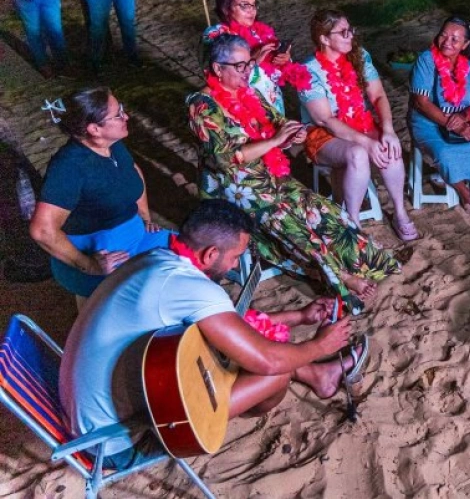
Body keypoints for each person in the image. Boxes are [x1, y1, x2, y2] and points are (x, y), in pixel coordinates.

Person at [59, 199, 366, 470]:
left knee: (227, 347)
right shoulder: (192, 287)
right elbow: (268, 361)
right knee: (276, 373)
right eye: (235, 257)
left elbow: (227, 330)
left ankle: (318, 375)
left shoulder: (155, 259)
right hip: (115, 443)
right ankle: (317, 373)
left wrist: (299, 317)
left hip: (83, 417)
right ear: (210, 254)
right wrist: (319, 345)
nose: (235, 264)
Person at [188, 34, 401, 316]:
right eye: (240, 66)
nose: (247, 71)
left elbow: (276, 121)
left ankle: (365, 262)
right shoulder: (202, 106)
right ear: (217, 68)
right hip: (234, 187)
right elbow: (226, 159)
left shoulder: (247, 92)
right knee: (288, 221)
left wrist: (292, 132)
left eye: (249, 64)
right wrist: (275, 141)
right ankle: (342, 280)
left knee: (319, 209)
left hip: (268, 175)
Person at [29, 88, 169, 310]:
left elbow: (132, 171)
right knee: (130, 306)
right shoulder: (69, 167)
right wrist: (89, 265)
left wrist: (144, 217)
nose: (126, 116)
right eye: (118, 115)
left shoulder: (112, 145)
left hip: (136, 236)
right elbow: (42, 230)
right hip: (102, 251)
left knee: (187, 255)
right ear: (94, 129)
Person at [300, 9, 419, 241]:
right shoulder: (308, 70)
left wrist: (388, 130)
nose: (350, 36)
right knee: (357, 153)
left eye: (351, 30)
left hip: (358, 122)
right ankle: (352, 222)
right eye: (343, 32)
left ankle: (400, 212)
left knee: (389, 146)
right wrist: (366, 142)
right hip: (323, 134)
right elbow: (325, 120)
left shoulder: (359, 56)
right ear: (325, 39)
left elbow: (378, 95)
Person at [409, 16, 470, 217]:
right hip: (427, 121)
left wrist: (465, 116)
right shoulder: (426, 61)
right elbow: (421, 102)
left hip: (462, 120)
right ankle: (464, 193)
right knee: (446, 153)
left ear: (465, 44)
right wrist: (453, 124)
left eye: (455, 39)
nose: (447, 42)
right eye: (443, 35)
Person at [203, 0, 299, 115]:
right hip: (242, 108)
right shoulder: (217, 34)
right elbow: (217, 76)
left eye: (253, 5)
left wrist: (284, 59)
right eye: (244, 5)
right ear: (226, 8)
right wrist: (253, 60)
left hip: (272, 105)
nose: (252, 10)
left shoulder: (260, 32)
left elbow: (274, 71)